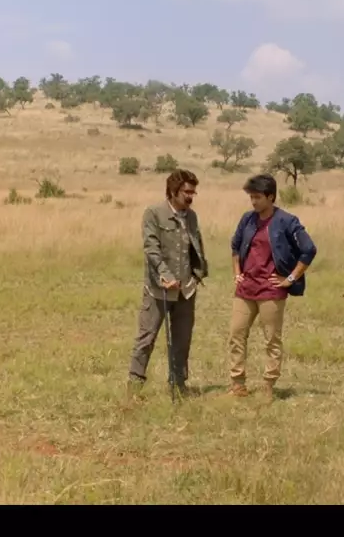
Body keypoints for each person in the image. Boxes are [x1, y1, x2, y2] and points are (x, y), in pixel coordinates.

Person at [227, 173, 318, 402]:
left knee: (271, 340)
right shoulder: (247, 219)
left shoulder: (287, 221)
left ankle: (268, 385)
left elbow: (309, 249)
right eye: (251, 197)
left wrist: (291, 278)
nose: (253, 202)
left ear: (271, 197)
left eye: (257, 197)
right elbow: (235, 246)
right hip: (246, 289)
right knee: (236, 334)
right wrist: (237, 273)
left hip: (271, 290)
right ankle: (237, 384)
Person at [126, 169, 208, 402]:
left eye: (193, 192)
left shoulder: (191, 217)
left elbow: (196, 245)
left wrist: (198, 273)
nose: (190, 196)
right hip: (159, 289)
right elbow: (151, 248)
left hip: (186, 290)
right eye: (186, 192)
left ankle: (178, 385)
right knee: (146, 338)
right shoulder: (154, 213)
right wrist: (165, 275)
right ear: (173, 191)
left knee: (182, 341)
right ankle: (134, 387)